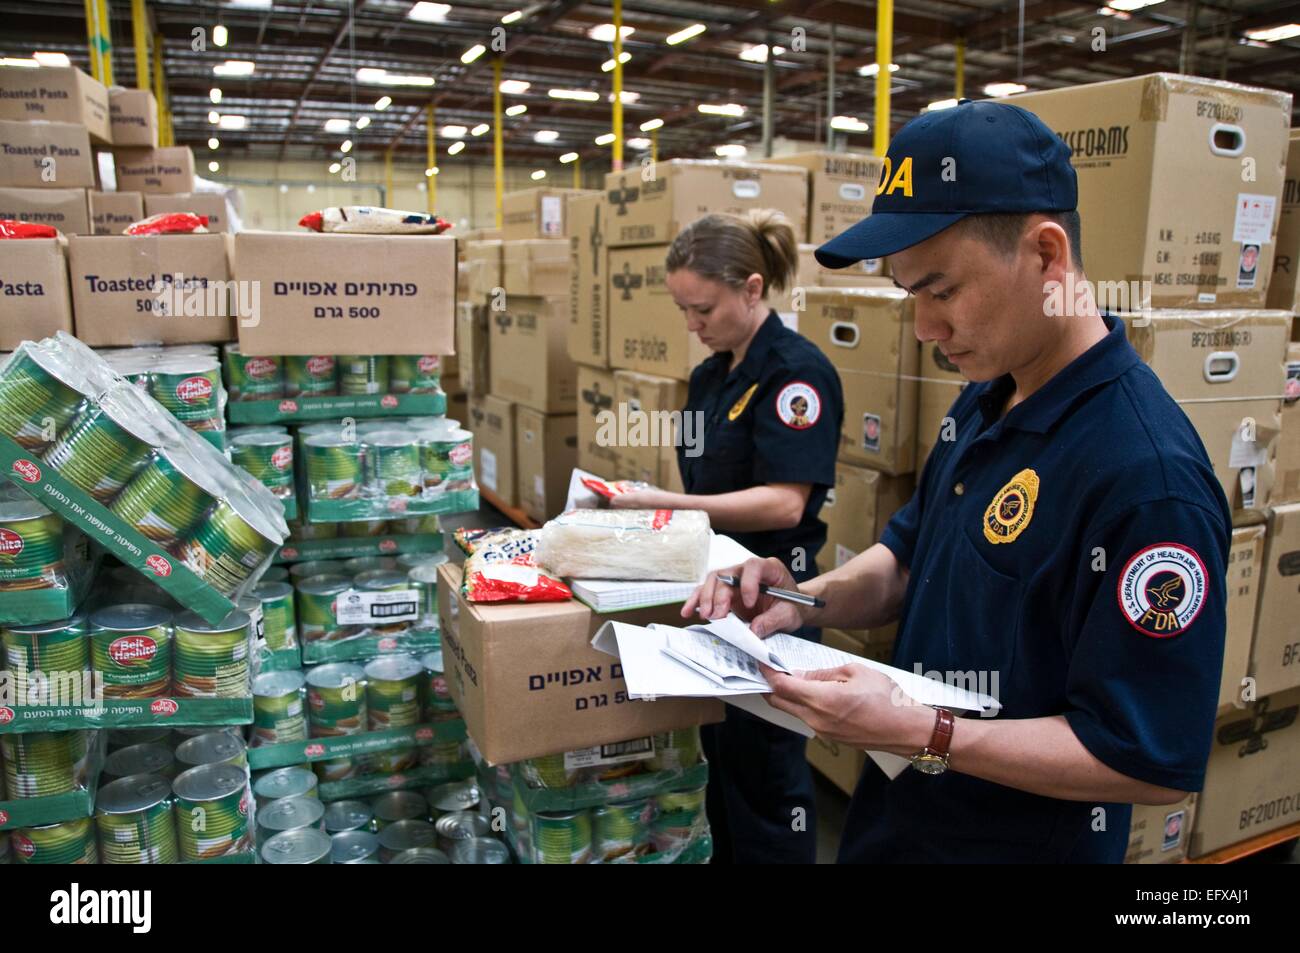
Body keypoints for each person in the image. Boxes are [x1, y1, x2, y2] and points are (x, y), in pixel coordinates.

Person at [685, 99, 1232, 863]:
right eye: (911, 295)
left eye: (941, 292)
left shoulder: (1145, 477)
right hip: (899, 824)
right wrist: (800, 597)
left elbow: (1146, 758)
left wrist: (921, 730)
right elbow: (908, 560)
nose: (924, 329)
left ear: (1047, 256)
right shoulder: (990, 395)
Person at [610, 209, 844, 863]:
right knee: (717, 766)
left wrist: (669, 502)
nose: (692, 324)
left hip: (776, 602)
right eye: (683, 309)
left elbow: (782, 500)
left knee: (767, 779)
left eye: (703, 308)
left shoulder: (796, 376)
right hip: (714, 593)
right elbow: (709, 481)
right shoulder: (712, 375)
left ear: (751, 287)